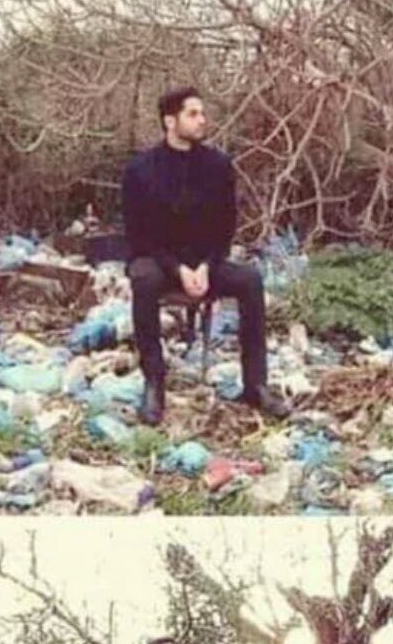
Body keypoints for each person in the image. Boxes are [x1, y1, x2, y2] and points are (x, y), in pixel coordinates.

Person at [121, 87, 291, 426]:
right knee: (143, 278)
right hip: (159, 261)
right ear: (170, 121)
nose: (202, 120)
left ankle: (255, 385)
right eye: (193, 114)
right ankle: (154, 384)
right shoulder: (141, 170)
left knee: (250, 279)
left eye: (202, 113)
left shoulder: (217, 166)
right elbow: (139, 236)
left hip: (205, 262)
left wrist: (207, 266)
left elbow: (225, 227)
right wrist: (178, 268)